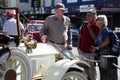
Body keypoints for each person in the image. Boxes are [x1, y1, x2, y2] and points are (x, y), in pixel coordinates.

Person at [77, 9, 100, 80]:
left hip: (91, 53)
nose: (87, 17)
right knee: (85, 70)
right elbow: (80, 36)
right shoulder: (84, 24)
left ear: (95, 16)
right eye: (86, 16)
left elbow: (96, 39)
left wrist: (90, 28)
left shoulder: (98, 25)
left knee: (92, 71)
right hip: (82, 51)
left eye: (89, 16)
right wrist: (78, 47)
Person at [90, 15, 110, 80]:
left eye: (97, 19)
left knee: (105, 74)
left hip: (105, 55)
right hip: (101, 55)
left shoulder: (105, 30)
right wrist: (95, 47)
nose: (95, 21)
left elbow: (107, 41)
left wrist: (97, 48)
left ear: (101, 22)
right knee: (102, 73)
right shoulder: (101, 30)